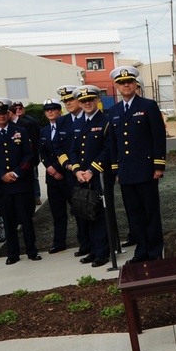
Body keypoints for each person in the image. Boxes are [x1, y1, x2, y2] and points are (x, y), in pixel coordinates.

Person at [108, 66, 166, 263]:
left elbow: (158, 137)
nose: (126, 85)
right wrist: (115, 169)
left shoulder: (148, 105)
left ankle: (155, 250)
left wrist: (159, 166)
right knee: (134, 214)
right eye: (122, 83)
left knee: (151, 212)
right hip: (125, 171)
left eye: (130, 82)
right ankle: (141, 251)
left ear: (135, 84)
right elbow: (113, 142)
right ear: (117, 86)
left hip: (146, 169)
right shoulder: (114, 110)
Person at [0, 97, 41, 265]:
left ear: (9, 113)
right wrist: (1, 175)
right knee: (8, 220)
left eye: (4, 113)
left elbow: (29, 155)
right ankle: (12, 253)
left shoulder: (21, 130)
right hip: (2, 186)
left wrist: (17, 173)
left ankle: (32, 250)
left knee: (26, 218)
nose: (2, 116)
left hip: (21, 184)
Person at [68, 86, 110, 268]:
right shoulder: (77, 124)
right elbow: (74, 150)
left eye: (90, 100)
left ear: (97, 101)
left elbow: (108, 149)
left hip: (98, 174)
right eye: (83, 101)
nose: (87, 103)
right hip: (82, 177)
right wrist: (77, 170)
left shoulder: (106, 121)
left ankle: (102, 252)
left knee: (99, 214)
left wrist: (91, 170)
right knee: (86, 214)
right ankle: (93, 250)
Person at [55, 84, 91, 258]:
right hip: (72, 173)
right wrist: (69, 166)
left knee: (97, 207)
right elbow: (58, 148)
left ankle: (103, 242)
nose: (67, 103)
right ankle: (84, 243)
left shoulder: (89, 117)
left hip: (92, 172)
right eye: (65, 101)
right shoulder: (61, 121)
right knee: (79, 209)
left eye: (70, 99)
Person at [39, 99, 71, 254]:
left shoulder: (67, 127)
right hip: (52, 177)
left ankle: (85, 239)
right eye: (47, 110)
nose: (50, 112)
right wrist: (50, 168)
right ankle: (59, 242)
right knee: (57, 212)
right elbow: (42, 152)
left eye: (53, 109)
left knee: (78, 209)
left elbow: (67, 149)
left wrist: (58, 168)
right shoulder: (44, 131)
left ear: (59, 111)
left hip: (66, 174)